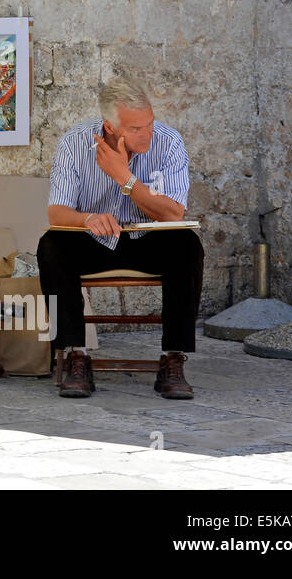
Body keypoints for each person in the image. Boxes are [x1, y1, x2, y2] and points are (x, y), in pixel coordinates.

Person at [38, 76, 204, 399]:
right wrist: (87, 219)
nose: (147, 134)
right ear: (110, 128)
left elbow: (173, 214)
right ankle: (76, 355)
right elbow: (56, 214)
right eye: (136, 129)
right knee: (51, 246)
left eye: (149, 123)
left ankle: (173, 358)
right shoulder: (74, 144)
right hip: (95, 239)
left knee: (187, 245)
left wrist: (124, 178)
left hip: (147, 239)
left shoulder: (169, 143)